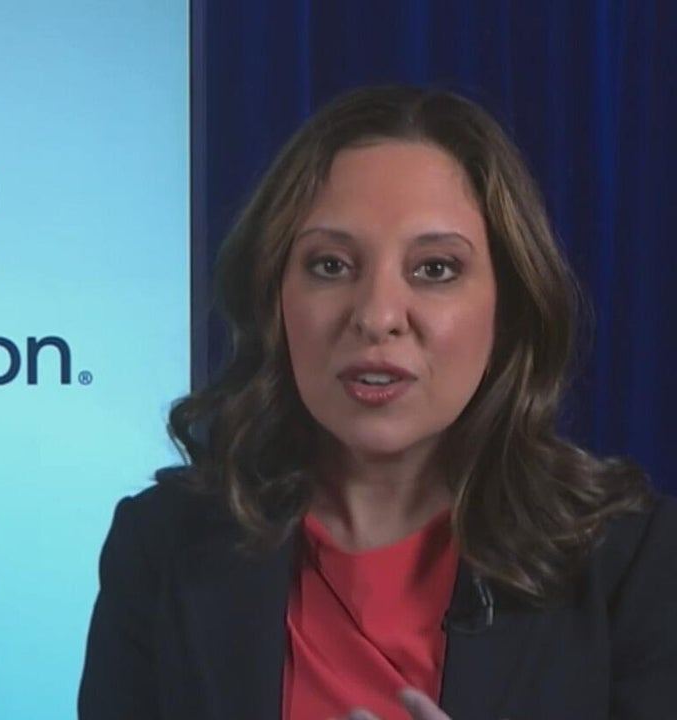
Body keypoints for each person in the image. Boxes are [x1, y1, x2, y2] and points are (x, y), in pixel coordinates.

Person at [77, 85, 677, 720]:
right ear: (274, 300)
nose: (377, 315)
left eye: (435, 269)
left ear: (507, 308)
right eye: (331, 266)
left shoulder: (635, 561)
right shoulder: (162, 544)